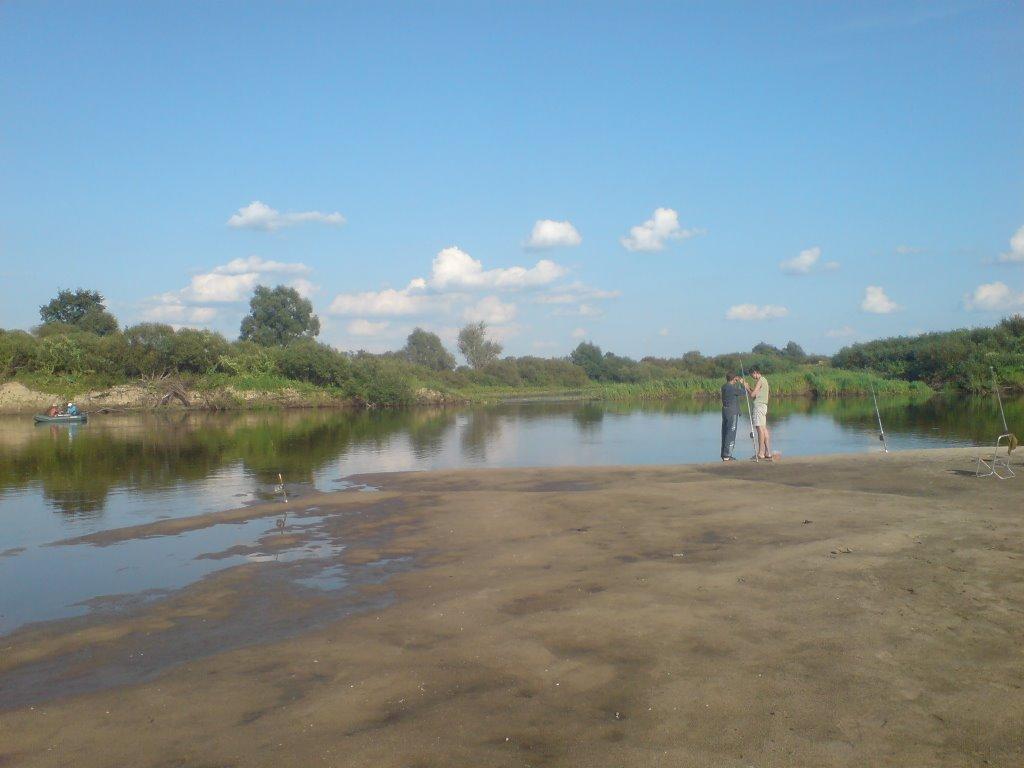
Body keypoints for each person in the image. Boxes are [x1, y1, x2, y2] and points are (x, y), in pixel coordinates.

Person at [720, 372, 747, 461]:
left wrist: (738, 381)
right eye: (736, 379)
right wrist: (743, 384)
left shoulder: (724, 386)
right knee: (731, 433)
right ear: (734, 379)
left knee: (725, 432)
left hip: (725, 411)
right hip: (732, 412)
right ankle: (727, 455)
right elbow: (743, 393)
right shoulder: (731, 388)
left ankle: (724, 454)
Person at [746, 369, 772, 460]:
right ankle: (768, 452)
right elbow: (757, 394)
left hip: (759, 407)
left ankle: (761, 453)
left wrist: (747, 387)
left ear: (755, 372)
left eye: (751, 375)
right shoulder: (765, 380)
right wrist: (749, 387)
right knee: (764, 429)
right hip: (764, 406)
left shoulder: (760, 380)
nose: (752, 377)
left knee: (759, 429)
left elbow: (752, 395)